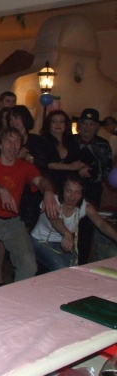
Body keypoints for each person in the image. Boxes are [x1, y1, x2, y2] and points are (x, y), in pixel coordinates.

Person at [0, 127, 58, 293]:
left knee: (29, 265)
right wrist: (1, 190)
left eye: (17, 141)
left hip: (13, 221)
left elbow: (41, 181)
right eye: (8, 141)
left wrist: (48, 191)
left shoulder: (24, 166)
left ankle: (14, 298)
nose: (13, 146)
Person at [31, 175, 117, 272]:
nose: (72, 196)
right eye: (68, 191)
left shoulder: (85, 206)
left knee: (74, 269)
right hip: (40, 241)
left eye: (77, 192)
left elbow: (102, 224)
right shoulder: (51, 200)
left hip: (63, 243)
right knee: (62, 268)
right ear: (62, 190)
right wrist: (67, 233)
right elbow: (54, 219)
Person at [73, 108, 113, 265]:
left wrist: (91, 174)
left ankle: (81, 262)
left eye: (91, 124)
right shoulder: (70, 141)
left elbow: (107, 171)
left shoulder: (103, 145)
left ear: (96, 127)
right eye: (84, 123)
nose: (87, 127)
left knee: (87, 228)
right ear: (79, 125)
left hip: (92, 191)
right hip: (70, 190)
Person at [41, 110, 88, 193]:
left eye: (61, 121)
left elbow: (81, 159)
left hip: (71, 187)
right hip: (50, 186)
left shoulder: (73, 141)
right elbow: (46, 164)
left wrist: (83, 168)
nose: (58, 124)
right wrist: (70, 166)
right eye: (54, 121)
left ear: (66, 125)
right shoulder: (42, 141)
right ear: (49, 124)